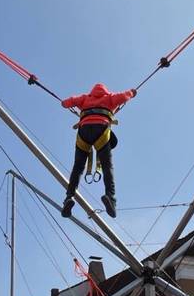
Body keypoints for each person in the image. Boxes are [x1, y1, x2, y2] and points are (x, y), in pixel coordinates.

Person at [59, 83, 137, 218]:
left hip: (83, 132)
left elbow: (65, 103)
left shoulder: (84, 99)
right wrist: (132, 92)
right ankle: (110, 198)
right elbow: (124, 96)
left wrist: (69, 102)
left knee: (77, 167)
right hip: (101, 130)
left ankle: (69, 198)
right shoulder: (110, 98)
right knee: (107, 166)